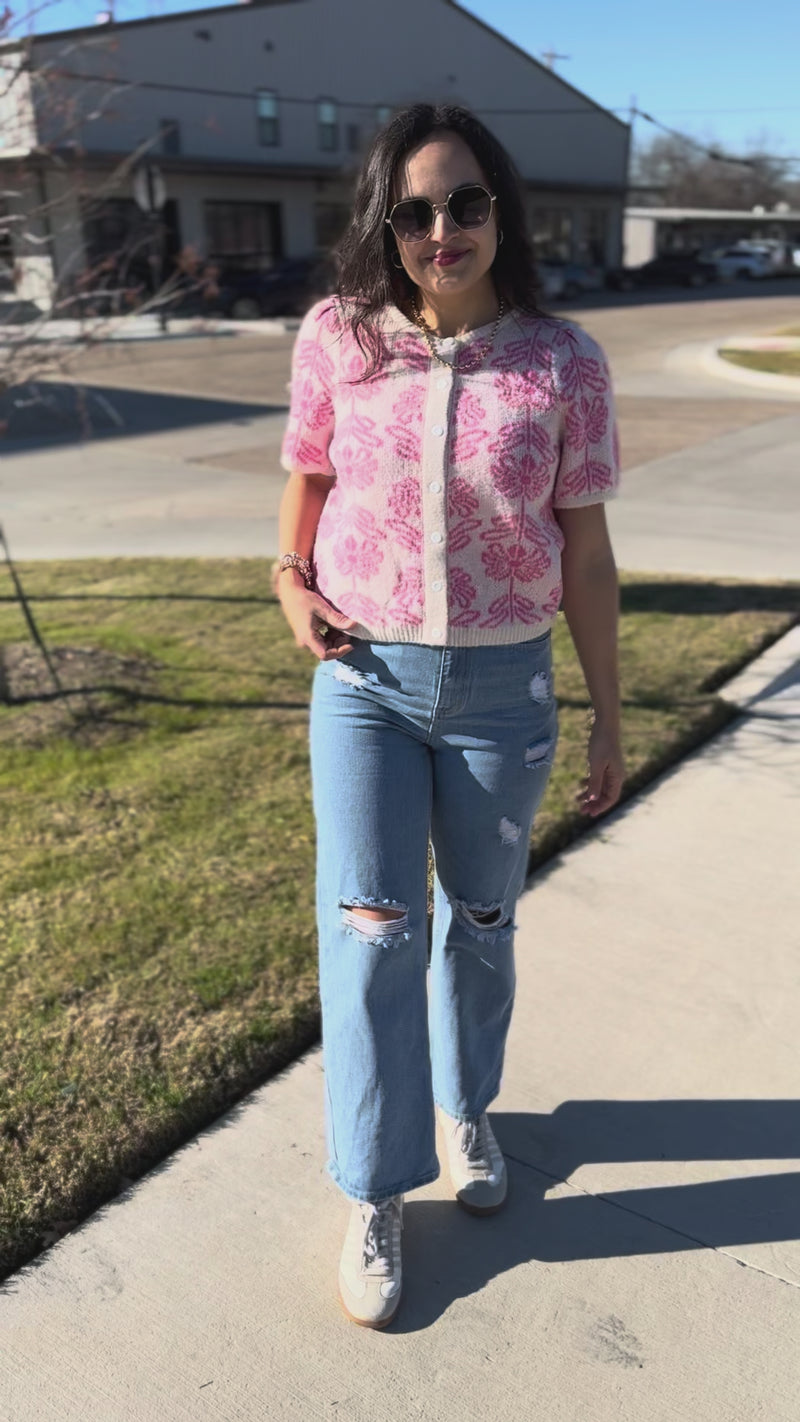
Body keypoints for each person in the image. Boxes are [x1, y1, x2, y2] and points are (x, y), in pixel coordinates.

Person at [275, 102, 624, 1329]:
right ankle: (373, 1186)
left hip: (499, 692)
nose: (441, 229)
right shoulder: (339, 337)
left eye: (464, 202)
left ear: (499, 213)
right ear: (385, 222)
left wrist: (607, 718)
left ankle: (467, 1109)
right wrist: (288, 580)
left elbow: (586, 551)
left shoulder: (562, 360)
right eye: (414, 209)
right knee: (372, 931)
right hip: (364, 686)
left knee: (479, 922)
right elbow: (307, 476)